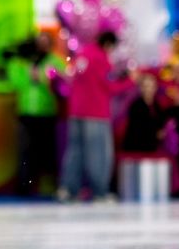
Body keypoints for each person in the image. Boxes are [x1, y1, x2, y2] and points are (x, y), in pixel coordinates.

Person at [57, 32, 133, 202]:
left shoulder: (82, 55)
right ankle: (100, 192)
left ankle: (69, 190)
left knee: (75, 152)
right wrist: (131, 81)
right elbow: (110, 88)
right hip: (96, 113)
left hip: (76, 112)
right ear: (108, 44)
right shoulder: (101, 58)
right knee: (99, 154)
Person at [5, 32, 65, 196]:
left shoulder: (55, 61)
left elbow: (62, 84)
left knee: (47, 151)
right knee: (24, 151)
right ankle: (24, 187)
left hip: (46, 112)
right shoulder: (23, 62)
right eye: (39, 42)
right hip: (26, 112)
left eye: (45, 42)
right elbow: (14, 82)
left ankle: (48, 187)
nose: (42, 46)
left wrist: (43, 79)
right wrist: (30, 77)